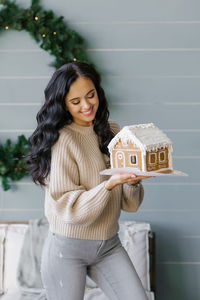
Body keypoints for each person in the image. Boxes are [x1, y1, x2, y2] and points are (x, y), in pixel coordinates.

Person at [26, 61, 151, 300]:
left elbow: (131, 205)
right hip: (67, 250)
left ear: (98, 92)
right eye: (76, 102)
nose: (86, 105)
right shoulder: (62, 140)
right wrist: (110, 184)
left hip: (108, 245)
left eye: (91, 95)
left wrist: (132, 182)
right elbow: (68, 208)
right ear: (63, 104)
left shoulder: (112, 131)